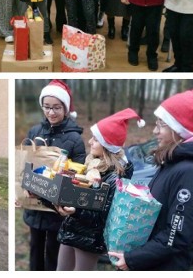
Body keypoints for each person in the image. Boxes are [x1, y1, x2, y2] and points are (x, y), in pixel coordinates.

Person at [108, 88, 193, 271]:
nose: (155, 131)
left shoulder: (189, 173)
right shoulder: (173, 162)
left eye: (161, 125)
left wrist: (133, 259)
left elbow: (177, 236)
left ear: (179, 130)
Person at [55, 109, 139, 271]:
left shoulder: (114, 178)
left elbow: (102, 217)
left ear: (107, 145)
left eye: (96, 139)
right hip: (71, 230)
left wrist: (76, 211)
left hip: (88, 239)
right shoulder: (91, 165)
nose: (90, 142)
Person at [24, 80, 86, 271]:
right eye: (47, 107)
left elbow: (78, 174)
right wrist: (25, 187)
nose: (51, 112)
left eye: (56, 108)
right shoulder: (35, 132)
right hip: (35, 206)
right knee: (35, 249)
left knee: (54, 252)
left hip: (57, 210)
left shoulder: (75, 139)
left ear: (65, 109)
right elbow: (26, 164)